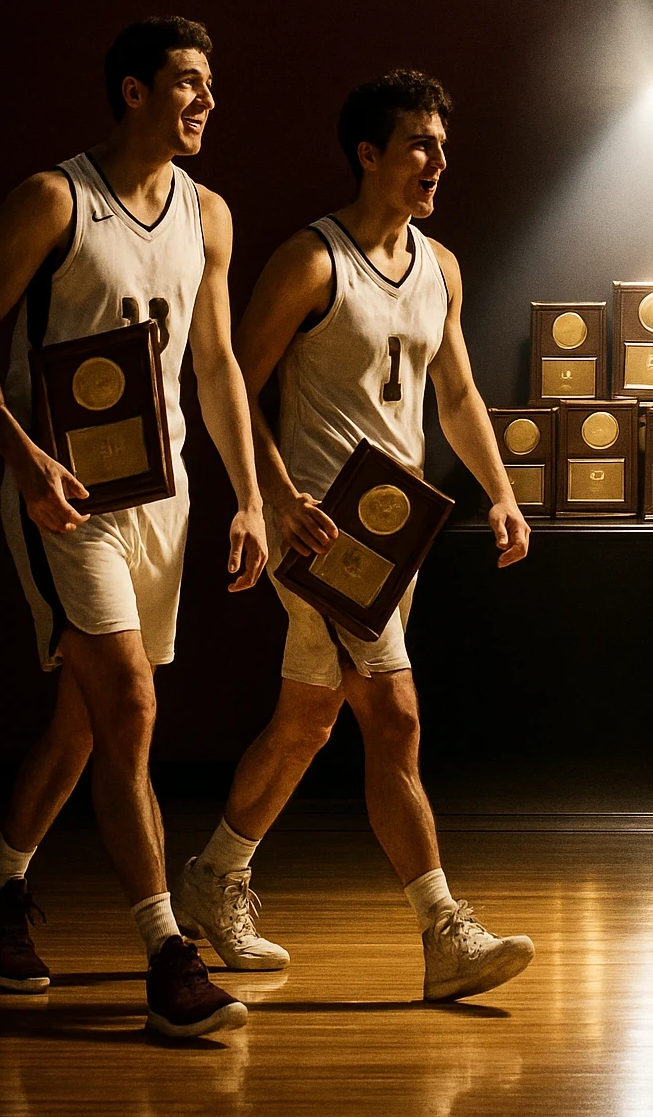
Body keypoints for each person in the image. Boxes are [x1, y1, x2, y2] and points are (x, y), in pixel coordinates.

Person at [0, 16, 267, 1038]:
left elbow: (214, 364)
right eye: (186, 81)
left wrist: (251, 496)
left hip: (162, 498)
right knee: (128, 705)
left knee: (87, 721)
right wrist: (23, 458)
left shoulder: (209, 214)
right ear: (133, 91)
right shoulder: (57, 198)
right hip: (65, 498)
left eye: (208, 82)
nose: (205, 99)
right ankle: (167, 956)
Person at [173, 69, 534, 1002]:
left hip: (394, 539)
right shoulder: (311, 261)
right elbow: (233, 384)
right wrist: (277, 496)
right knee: (395, 715)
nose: (437, 160)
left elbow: (457, 392)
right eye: (419, 144)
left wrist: (500, 492)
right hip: (322, 533)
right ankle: (443, 931)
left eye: (443, 145)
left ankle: (215, 877)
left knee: (307, 718)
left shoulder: (441, 266)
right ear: (369, 154)